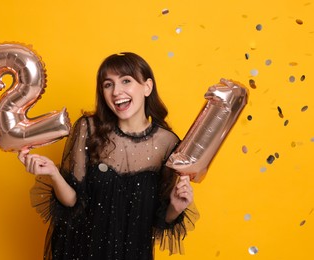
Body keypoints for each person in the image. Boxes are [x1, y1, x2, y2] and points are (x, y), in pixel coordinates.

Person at [18, 52, 199, 260]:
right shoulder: (88, 129)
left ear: (147, 87)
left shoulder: (168, 144)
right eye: (108, 84)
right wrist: (53, 173)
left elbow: (159, 220)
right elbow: (73, 202)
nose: (116, 91)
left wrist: (176, 207)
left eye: (126, 81)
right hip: (80, 251)